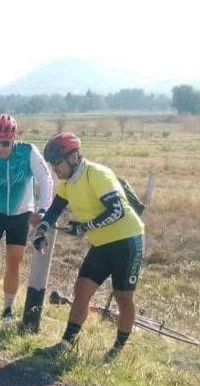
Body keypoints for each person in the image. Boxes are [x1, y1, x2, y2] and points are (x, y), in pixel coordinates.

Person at [32, 132, 145, 360]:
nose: (55, 169)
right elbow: (55, 209)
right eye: (52, 164)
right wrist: (41, 230)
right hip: (101, 243)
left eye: (58, 163)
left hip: (127, 241)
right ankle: (65, 344)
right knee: (81, 290)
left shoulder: (97, 175)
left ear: (73, 157)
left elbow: (117, 210)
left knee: (123, 298)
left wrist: (84, 227)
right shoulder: (68, 182)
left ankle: (117, 350)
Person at [0, 114, 53, 320]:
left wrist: (42, 210)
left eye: (5, 143)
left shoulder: (28, 152)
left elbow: (46, 180)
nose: (0, 148)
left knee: (14, 261)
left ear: (13, 139)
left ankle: (7, 309)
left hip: (21, 214)